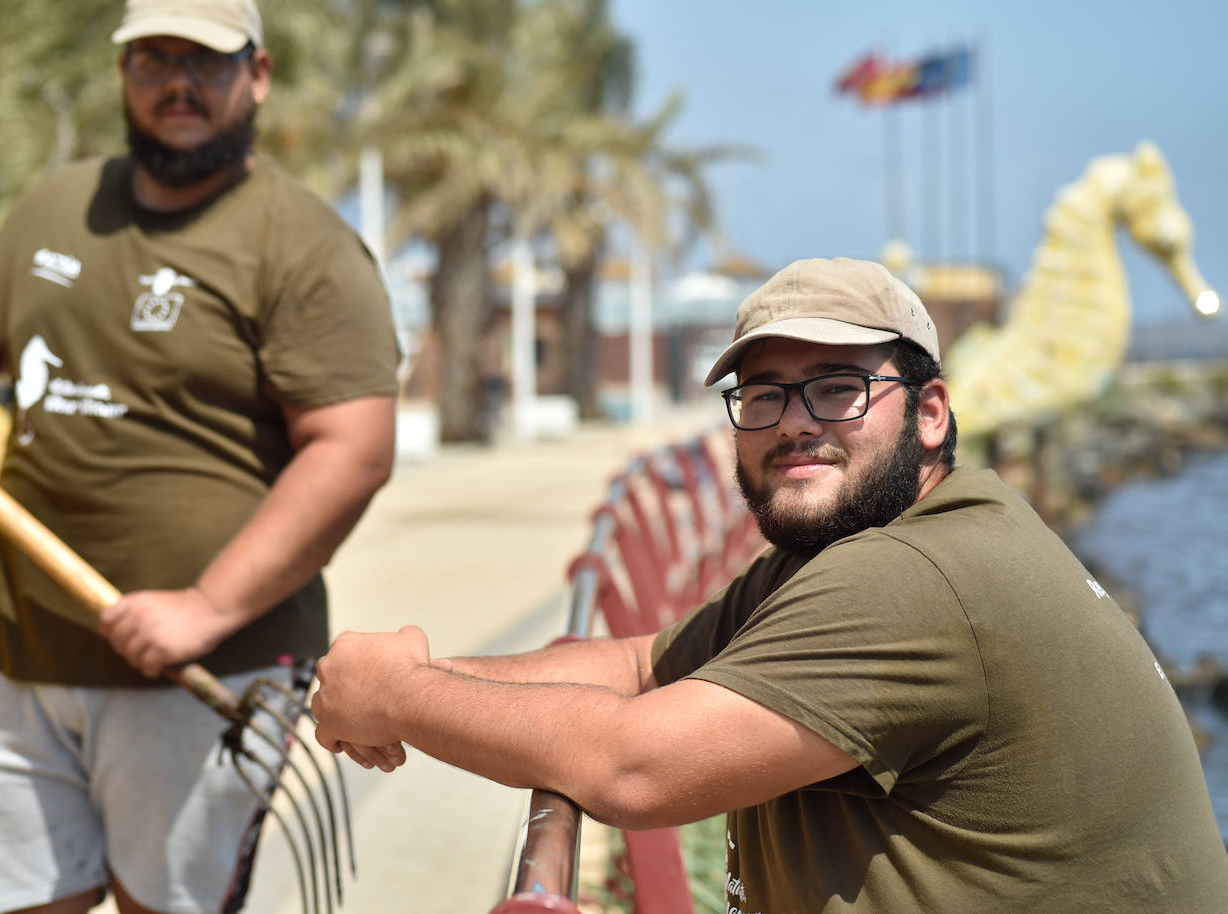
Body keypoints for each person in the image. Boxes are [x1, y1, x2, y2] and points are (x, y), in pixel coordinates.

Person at [310, 257, 1228, 912]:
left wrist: (400, 695)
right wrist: (407, 682)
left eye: (837, 388)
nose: (793, 423)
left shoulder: (913, 578)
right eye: (763, 395)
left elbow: (632, 767)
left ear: (931, 413)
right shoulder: (853, 546)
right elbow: (639, 668)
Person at [0, 0, 400, 911]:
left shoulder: (304, 245)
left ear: (257, 75)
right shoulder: (55, 207)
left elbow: (353, 451)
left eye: (203, 61)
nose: (177, 84)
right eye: (152, 60)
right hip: (19, 655)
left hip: (207, 670)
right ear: (123, 74)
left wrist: (206, 608)